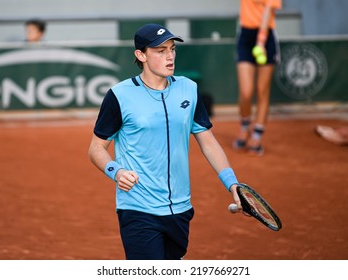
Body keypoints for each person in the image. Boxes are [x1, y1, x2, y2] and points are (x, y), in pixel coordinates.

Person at [88, 23, 243, 260]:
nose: (170, 56)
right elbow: (96, 148)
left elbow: (208, 141)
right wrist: (116, 172)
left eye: (172, 49)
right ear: (141, 55)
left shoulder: (188, 90)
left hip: (180, 208)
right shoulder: (119, 96)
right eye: (160, 51)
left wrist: (233, 184)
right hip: (138, 208)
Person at [233, 0, 282, 156]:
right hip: (245, 37)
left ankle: (257, 135)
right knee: (246, 92)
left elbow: (267, 11)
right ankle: (245, 127)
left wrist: (260, 42)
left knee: (262, 91)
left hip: (266, 37)